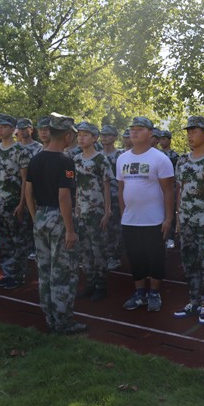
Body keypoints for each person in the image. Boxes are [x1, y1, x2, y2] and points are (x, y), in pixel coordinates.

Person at [25, 114, 87, 334]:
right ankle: (63, 321)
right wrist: (70, 229)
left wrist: (35, 217)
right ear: (68, 136)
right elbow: (64, 197)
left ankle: (50, 318)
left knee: (44, 271)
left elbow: (28, 192)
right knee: (63, 271)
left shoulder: (36, 159)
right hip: (59, 219)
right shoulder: (65, 161)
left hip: (41, 217)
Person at [117, 116, 174, 312]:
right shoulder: (122, 158)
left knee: (155, 259)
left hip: (154, 220)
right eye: (132, 128)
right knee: (135, 258)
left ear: (150, 133)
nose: (134, 131)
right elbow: (121, 189)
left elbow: (168, 191)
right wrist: (123, 214)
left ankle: (154, 293)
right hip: (130, 221)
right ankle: (140, 293)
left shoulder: (160, 159)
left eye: (139, 128)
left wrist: (168, 219)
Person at [172, 116, 204, 324]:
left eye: (194, 131)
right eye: (188, 132)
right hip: (186, 220)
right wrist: (178, 217)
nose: (190, 135)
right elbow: (180, 190)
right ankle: (193, 300)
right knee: (189, 261)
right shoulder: (182, 161)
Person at [0, 113, 32, 290]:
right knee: (4, 241)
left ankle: (18, 276)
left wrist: (22, 204)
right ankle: (8, 274)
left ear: (13, 130)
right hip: (0, 202)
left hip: (15, 203)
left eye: (4, 127)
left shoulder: (21, 151)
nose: (0, 130)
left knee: (18, 241)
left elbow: (25, 180)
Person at [74, 122, 113, 303]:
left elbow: (107, 186)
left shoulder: (100, 160)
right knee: (85, 251)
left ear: (94, 138)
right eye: (79, 134)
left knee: (98, 250)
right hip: (81, 212)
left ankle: (101, 286)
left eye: (85, 135)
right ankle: (90, 283)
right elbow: (77, 186)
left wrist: (107, 211)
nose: (81, 138)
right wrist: (76, 208)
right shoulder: (76, 159)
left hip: (97, 213)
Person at [16, 117, 43, 260]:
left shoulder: (39, 148)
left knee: (35, 220)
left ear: (31, 130)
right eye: (20, 129)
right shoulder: (15, 148)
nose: (22, 131)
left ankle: (37, 248)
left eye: (25, 128)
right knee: (21, 222)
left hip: (35, 190)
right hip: (17, 190)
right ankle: (25, 248)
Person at [100, 125, 124, 270]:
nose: (104, 137)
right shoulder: (97, 155)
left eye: (108, 135)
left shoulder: (121, 156)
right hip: (100, 198)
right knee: (102, 229)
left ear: (115, 137)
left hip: (115, 198)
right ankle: (103, 256)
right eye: (102, 134)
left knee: (115, 229)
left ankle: (114, 257)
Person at [158, 130, 179, 249]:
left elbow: (176, 175)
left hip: (171, 187)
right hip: (158, 188)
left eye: (164, 139)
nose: (162, 141)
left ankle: (171, 237)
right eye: (160, 139)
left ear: (170, 140)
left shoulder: (174, 156)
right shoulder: (157, 154)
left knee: (171, 212)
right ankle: (161, 236)